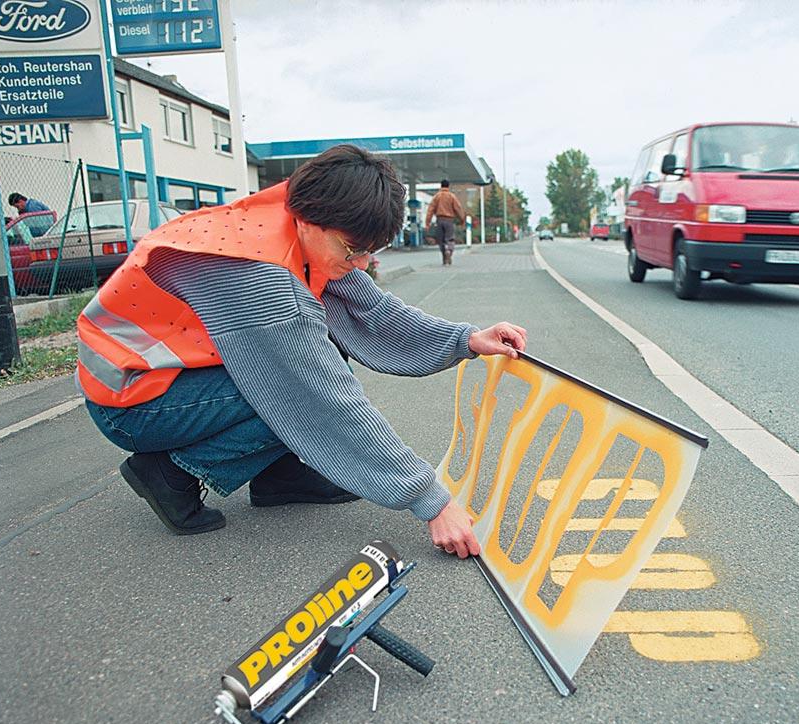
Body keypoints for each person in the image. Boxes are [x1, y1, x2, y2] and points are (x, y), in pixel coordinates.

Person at [76, 145, 526, 559]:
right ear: (311, 222)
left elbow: (371, 312)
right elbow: (323, 397)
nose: (363, 263)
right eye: (355, 250)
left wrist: (466, 340)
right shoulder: (261, 272)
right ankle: (174, 471)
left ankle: (281, 476)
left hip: (164, 378)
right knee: (296, 379)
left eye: (372, 251)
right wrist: (432, 501)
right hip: (131, 403)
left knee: (317, 350)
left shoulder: (295, 220)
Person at [425, 179, 465, 265]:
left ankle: (444, 256)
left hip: (439, 220)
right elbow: (458, 208)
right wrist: (462, 220)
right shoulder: (452, 196)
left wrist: (427, 223)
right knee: (450, 238)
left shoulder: (437, 196)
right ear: (448, 186)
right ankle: (449, 251)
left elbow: (430, 210)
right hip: (449, 220)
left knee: (441, 240)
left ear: (441, 186)